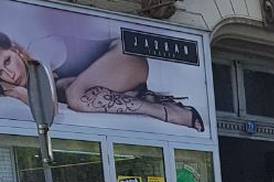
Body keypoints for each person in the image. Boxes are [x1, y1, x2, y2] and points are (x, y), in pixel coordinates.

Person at [0, 31, 203, 130]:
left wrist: (18, 92)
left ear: (16, 49)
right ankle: (145, 97)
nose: (9, 74)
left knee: (75, 97)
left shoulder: (39, 50)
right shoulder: (35, 78)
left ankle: (168, 112)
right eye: (0, 72)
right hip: (122, 78)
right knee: (66, 87)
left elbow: (49, 110)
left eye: (7, 61)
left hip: (125, 55)